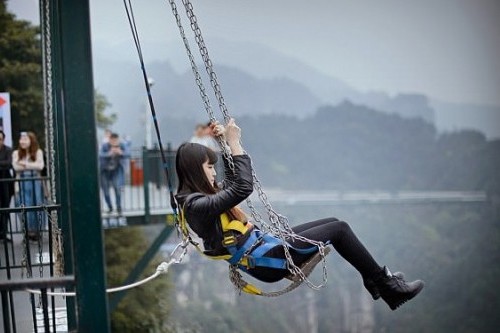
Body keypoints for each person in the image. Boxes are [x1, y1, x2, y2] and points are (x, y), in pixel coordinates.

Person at [175, 119, 424, 310]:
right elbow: (241, 187)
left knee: (333, 223)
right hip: (267, 260)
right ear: (197, 170)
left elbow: (229, 184)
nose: (214, 173)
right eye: (209, 167)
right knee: (340, 230)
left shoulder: (198, 201)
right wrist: (236, 145)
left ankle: (375, 280)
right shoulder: (196, 207)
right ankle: (387, 286)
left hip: (265, 249)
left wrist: (224, 145)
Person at [12, 131, 45, 241]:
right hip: (21, 182)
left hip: (35, 182)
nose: (23, 141)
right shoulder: (16, 153)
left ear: (31, 140)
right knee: (23, 205)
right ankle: (27, 231)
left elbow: (40, 166)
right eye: (21, 139)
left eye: (25, 139)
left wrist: (25, 164)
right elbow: (16, 167)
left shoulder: (38, 152)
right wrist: (31, 166)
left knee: (37, 204)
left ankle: (37, 231)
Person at [99, 132, 129, 215]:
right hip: (104, 171)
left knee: (117, 188)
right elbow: (100, 154)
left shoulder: (122, 145)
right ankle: (110, 207)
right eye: (113, 140)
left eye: (116, 140)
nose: (115, 142)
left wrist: (121, 152)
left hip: (116, 171)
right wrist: (109, 153)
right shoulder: (105, 146)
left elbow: (128, 153)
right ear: (110, 140)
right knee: (106, 191)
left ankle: (119, 207)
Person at [0, 130, 13, 241]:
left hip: (6, 183)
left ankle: (4, 233)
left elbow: (8, 163)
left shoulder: (8, 150)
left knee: (5, 208)